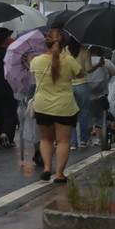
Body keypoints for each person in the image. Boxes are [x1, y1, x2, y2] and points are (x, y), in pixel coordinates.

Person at [29, 29, 82, 183]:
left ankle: (46, 168)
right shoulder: (69, 60)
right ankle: (59, 174)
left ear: (46, 43)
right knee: (63, 141)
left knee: (45, 139)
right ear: (64, 43)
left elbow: (33, 71)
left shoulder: (36, 61)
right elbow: (81, 75)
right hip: (65, 106)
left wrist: (30, 61)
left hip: (42, 106)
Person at [86, 45, 115, 146]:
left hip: (87, 93)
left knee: (87, 116)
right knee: (101, 116)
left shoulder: (85, 62)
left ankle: (86, 139)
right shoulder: (105, 62)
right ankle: (98, 139)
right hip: (102, 93)